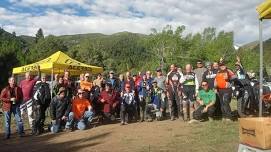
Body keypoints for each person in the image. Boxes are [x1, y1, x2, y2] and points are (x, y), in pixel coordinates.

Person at [19, 68, 40, 133]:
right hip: (22, 101)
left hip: (30, 100)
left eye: (29, 75)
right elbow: (19, 90)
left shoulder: (33, 81)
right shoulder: (22, 82)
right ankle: (21, 129)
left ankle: (33, 128)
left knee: (30, 114)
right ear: (25, 76)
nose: (28, 76)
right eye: (27, 75)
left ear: (30, 76)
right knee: (21, 114)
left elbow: (39, 76)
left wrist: (38, 70)